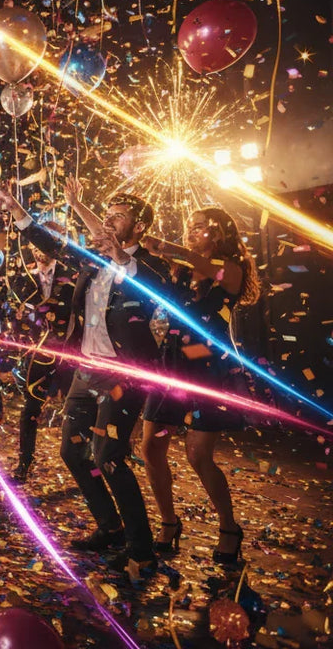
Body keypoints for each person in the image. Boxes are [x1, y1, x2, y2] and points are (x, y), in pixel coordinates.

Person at [0, 179, 172, 575]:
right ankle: (109, 526)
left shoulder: (151, 265)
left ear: (139, 226)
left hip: (123, 375)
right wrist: (17, 210)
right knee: (73, 452)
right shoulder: (92, 260)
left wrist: (121, 258)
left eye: (119, 216)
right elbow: (51, 244)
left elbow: (155, 289)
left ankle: (141, 548)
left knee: (109, 457)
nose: (109, 221)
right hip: (85, 370)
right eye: (107, 215)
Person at [139, 207, 260, 565]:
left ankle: (228, 528)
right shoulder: (180, 269)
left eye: (201, 227)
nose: (192, 231)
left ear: (219, 233)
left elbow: (207, 267)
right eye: (190, 226)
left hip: (208, 367)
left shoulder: (231, 270)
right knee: (151, 447)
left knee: (198, 455)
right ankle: (168, 522)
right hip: (171, 364)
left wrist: (167, 248)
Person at [9, 232, 76, 482]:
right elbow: (15, 315)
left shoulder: (72, 275)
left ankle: (86, 463)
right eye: (35, 245)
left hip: (68, 352)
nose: (40, 250)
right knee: (31, 407)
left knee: (78, 407)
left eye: (45, 244)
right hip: (37, 353)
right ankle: (24, 462)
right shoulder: (22, 276)